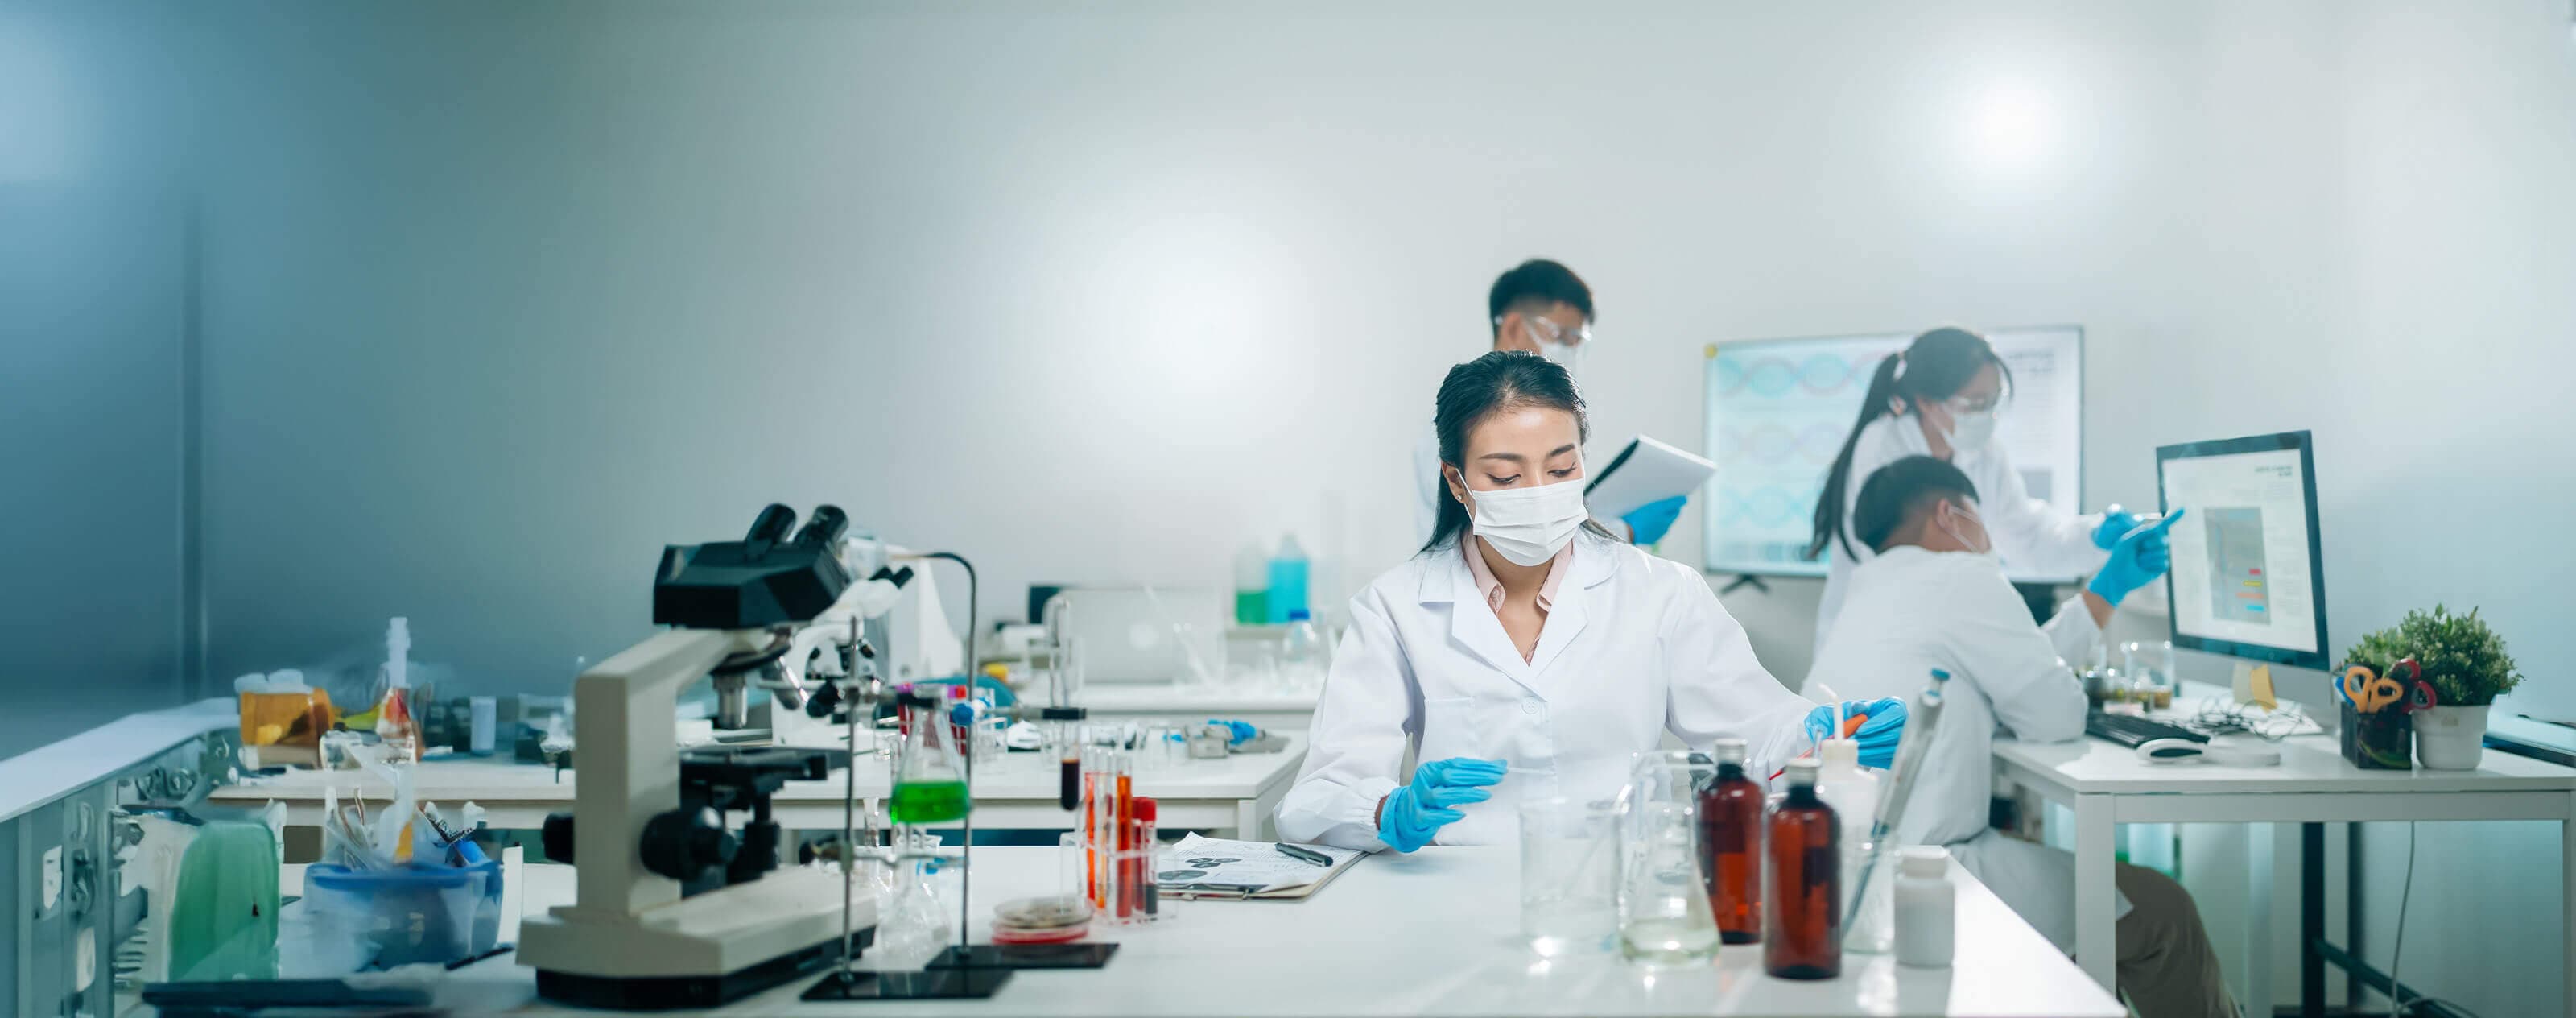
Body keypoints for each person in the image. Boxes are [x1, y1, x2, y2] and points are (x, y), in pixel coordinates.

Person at [1283, 351, 1902, 851]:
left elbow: (1755, 729)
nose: (1538, 492)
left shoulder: (1661, 592)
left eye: (1560, 468)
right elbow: (1320, 793)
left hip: (1619, 886)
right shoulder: (1394, 607)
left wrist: (1826, 734)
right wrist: (1389, 808)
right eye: (1505, 477)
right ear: (1457, 481)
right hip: (1454, 894)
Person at [1805, 456, 2226, 1018]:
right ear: (1950, 515)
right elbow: (2054, 714)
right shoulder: (1960, 576)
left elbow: (2012, 664)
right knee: (2165, 912)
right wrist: (2107, 590)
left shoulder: (1869, 592)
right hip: (1931, 872)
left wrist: (2106, 590)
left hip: (1840, 879)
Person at [1806, 326, 2145, 658]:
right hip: (1874, 643)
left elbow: (2026, 535)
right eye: (1974, 402)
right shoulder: (1883, 448)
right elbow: (1901, 566)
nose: (1987, 415)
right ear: (1926, 402)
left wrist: (2094, 537)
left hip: (1946, 642)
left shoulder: (1986, 453)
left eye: (1995, 400)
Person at [1410, 259, 1688, 550]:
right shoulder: (1461, 421)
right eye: (1563, 337)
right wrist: (1624, 531)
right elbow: (1515, 538)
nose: (1571, 352)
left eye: (1561, 469)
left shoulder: (1559, 415)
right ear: (1515, 327)